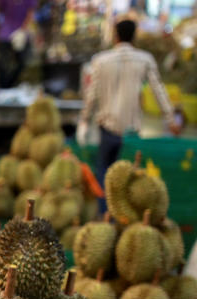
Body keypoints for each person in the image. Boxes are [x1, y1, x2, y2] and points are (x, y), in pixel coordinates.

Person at [77, 17, 182, 212]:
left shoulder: (100, 60)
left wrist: (84, 120)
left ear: (116, 36)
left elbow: (92, 94)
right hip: (131, 130)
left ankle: (105, 213)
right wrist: (170, 119)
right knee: (129, 177)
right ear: (134, 37)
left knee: (104, 172)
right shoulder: (145, 59)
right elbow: (158, 90)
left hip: (107, 126)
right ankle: (123, 216)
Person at [0, 0, 38, 88]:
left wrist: (23, 30)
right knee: (3, 63)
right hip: (6, 34)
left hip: (22, 35)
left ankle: (12, 85)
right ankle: (3, 87)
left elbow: (31, 14)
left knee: (22, 62)